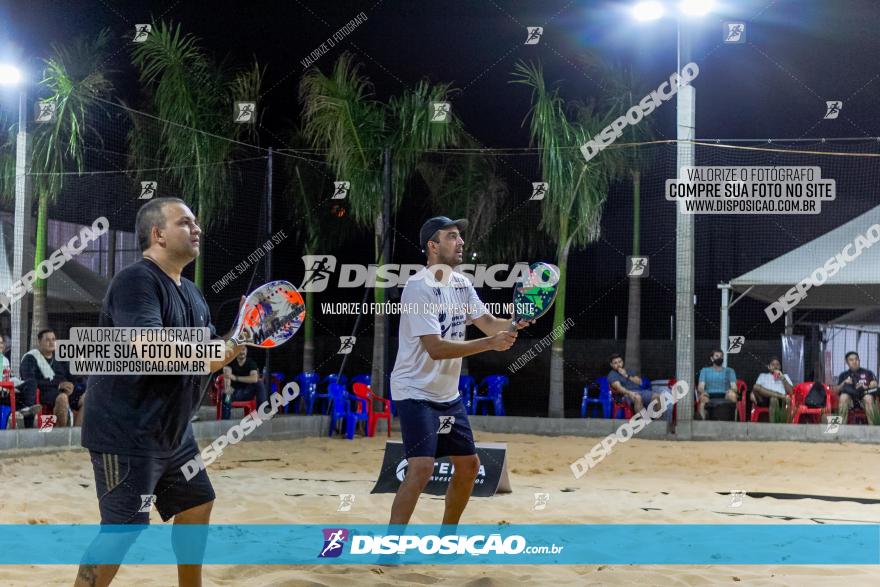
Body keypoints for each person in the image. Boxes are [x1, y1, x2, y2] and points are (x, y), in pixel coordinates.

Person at [75, 198, 244, 587]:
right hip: (127, 432)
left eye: (196, 222)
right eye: (186, 222)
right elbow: (151, 347)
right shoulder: (136, 281)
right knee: (122, 532)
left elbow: (204, 352)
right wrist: (219, 352)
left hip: (172, 433)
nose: (197, 228)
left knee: (197, 503)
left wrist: (230, 344)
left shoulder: (193, 293)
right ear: (158, 234)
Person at [388, 216, 529, 528]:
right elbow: (436, 349)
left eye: (459, 237)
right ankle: (390, 547)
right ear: (433, 246)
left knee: (468, 467)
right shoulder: (418, 288)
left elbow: (490, 324)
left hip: (446, 395)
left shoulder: (461, 285)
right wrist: (491, 343)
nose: (461, 242)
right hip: (415, 392)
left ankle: (446, 537)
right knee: (422, 467)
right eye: (452, 236)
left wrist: (516, 320)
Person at [19, 328, 84, 427]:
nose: (51, 342)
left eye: (53, 339)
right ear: (39, 342)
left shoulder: (59, 360)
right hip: (44, 394)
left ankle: (76, 433)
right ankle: (60, 435)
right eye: (47, 340)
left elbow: (70, 378)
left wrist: (71, 385)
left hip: (64, 393)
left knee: (89, 397)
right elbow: (29, 381)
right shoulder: (30, 358)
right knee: (62, 398)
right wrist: (58, 385)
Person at [220, 346, 267, 419]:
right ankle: (225, 421)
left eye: (243, 349)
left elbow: (254, 379)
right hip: (233, 392)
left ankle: (261, 414)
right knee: (227, 395)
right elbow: (227, 376)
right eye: (239, 350)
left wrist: (236, 378)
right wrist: (228, 387)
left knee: (259, 384)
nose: (242, 352)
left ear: (246, 351)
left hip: (247, 392)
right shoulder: (230, 362)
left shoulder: (251, 362)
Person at [834, 351, 877, 424]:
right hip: (850, 401)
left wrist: (866, 386)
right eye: (851, 360)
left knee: (868, 398)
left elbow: (875, 384)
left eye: (856, 359)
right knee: (843, 397)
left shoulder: (868, 372)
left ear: (859, 360)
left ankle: (873, 429)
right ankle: (841, 428)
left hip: (863, 399)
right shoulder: (843, 375)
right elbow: (836, 390)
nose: (854, 362)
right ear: (846, 362)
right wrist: (844, 383)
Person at [697, 349, 738, 420]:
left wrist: (731, 390)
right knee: (703, 397)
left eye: (721, 356)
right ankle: (703, 422)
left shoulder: (730, 371)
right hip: (709, 394)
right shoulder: (705, 370)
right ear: (712, 358)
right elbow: (700, 387)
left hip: (725, 394)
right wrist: (703, 391)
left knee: (733, 395)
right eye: (717, 356)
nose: (719, 358)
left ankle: (733, 421)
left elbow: (735, 387)